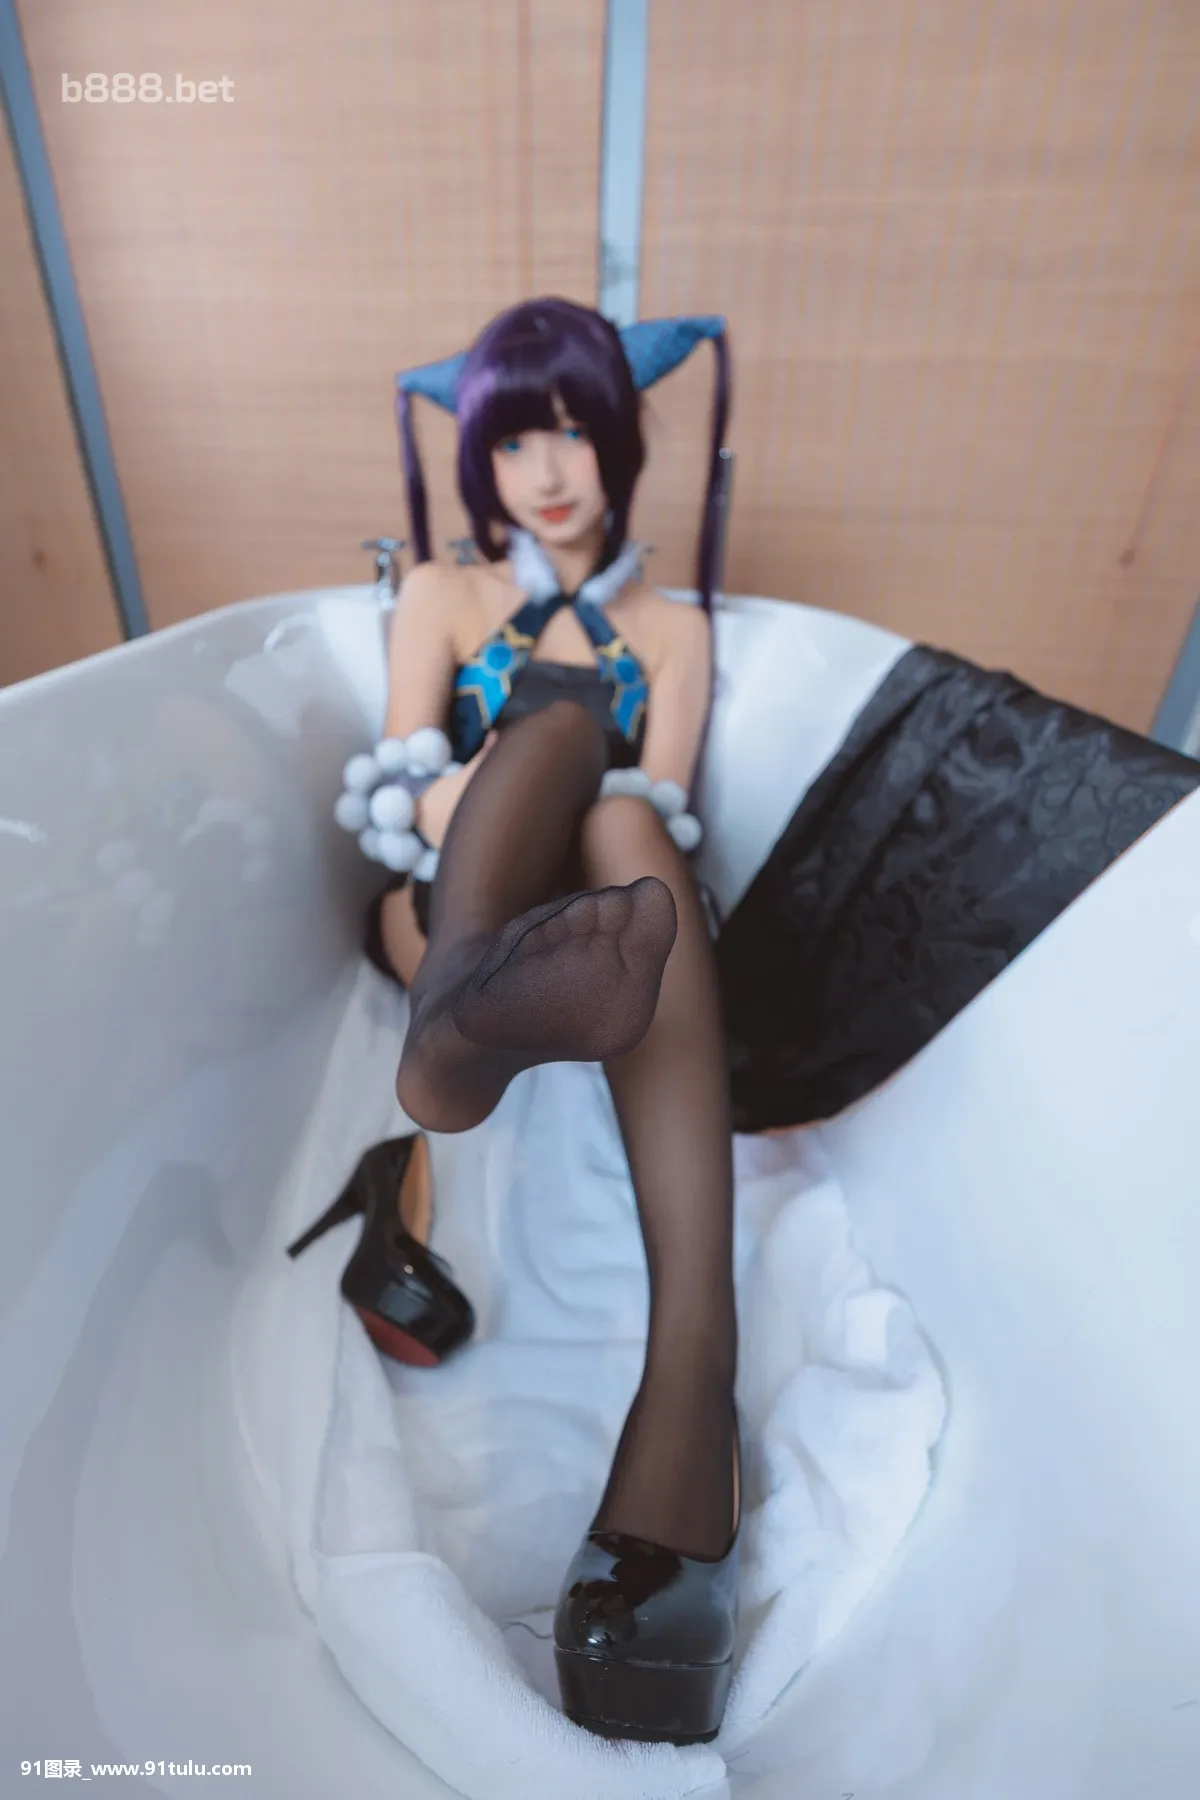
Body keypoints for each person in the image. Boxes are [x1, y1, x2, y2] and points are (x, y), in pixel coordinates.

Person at [289, 297, 741, 1744]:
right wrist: (518, 789)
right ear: (476, 459)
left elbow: (667, 812)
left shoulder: (676, 630)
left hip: (611, 915)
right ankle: (470, 1004)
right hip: (446, 892)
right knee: (553, 729)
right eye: (511, 442)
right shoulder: (442, 591)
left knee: (624, 818)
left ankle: (458, 1041)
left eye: (573, 433)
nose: (545, 471)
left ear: (621, 442)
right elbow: (404, 778)